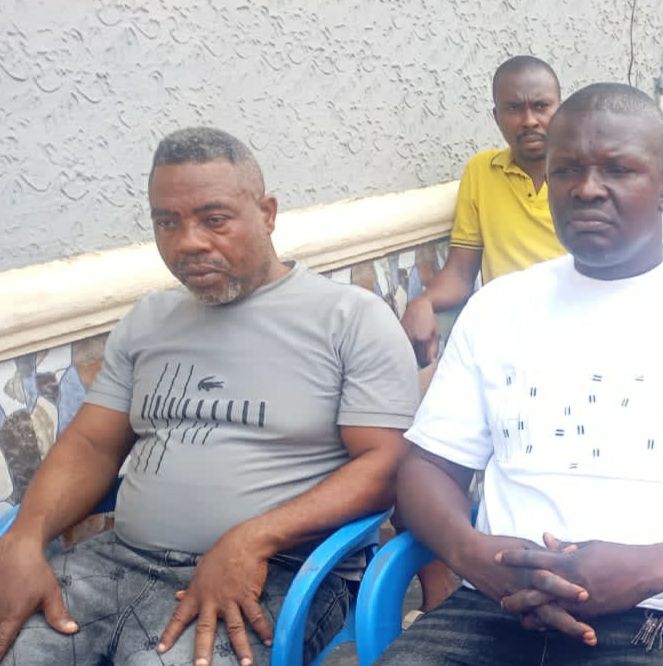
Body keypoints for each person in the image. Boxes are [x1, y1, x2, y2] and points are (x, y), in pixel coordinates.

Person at [376, 83, 663, 665]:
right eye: (567, 169)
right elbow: (425, 469)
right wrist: (474, 555)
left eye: (617, 170)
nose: (587, 188)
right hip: (496, 606)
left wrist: (648, 570)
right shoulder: (498, 308)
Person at [0, 128, 420, 666]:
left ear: (267, 214)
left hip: (274, 571)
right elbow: (91, 445)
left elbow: (386, 465)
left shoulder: (349, 319)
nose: (188, 242)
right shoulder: (149, 319)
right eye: (167, 222)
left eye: (214, 219)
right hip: (116, 564)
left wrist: (254, 538)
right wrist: (25, 539)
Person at [401, 55, 566, 366]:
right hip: (507, 335)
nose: (529, 120)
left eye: (541, 106)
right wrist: (422, 302)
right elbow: (460, 273)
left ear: (561, 110)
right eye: (514, 108)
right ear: (496, 116)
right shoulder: (481, 171)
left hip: (573, 329)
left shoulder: (584, 173)